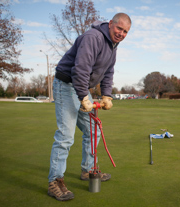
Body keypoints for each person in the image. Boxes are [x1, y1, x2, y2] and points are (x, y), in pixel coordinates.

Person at [47, 13, 131, 201]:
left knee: (93, 130)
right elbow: (81, 69)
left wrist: (107, 95)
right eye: (119, 28)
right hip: (67, 84)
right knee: (65, 137)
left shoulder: (113, 45)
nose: (121, 34)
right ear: (110, 24)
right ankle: (54, 182)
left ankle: (88, 170)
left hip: (81, 87)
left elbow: (108, 72)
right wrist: (83, 96)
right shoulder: (93, 37)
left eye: (125, 31)